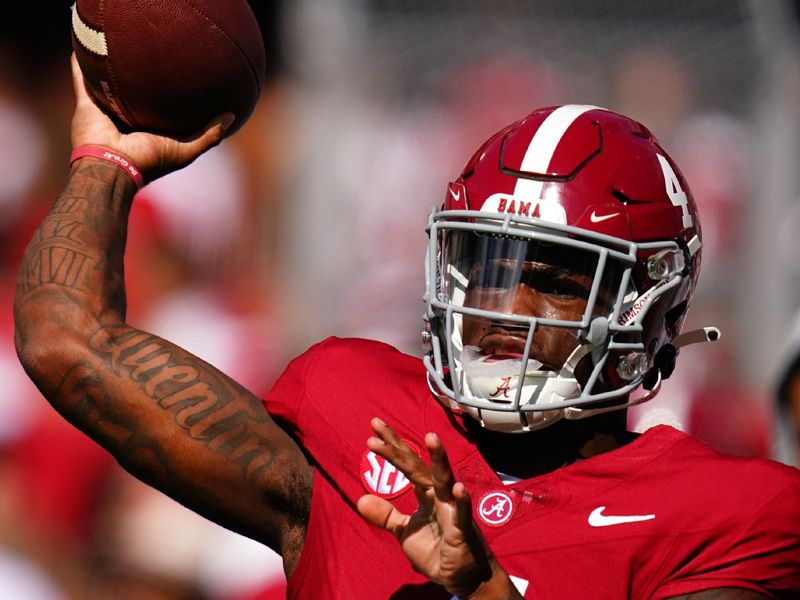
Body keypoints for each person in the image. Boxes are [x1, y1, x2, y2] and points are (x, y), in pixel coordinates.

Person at [13, 55, 800, 600]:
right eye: (489, 268)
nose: (505, 310)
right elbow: (67, 342)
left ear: (650, 309)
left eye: (555, 282)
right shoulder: (360, 414)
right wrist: (106, 162)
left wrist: (481, 586)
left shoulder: (728, 515)